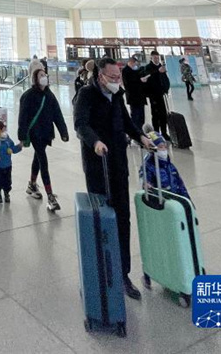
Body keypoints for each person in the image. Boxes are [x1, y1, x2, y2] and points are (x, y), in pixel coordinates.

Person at [74, 56, 154, 299]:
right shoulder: (86, 95)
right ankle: (99, 273)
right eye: (112, 77)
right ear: (100, 76)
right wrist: (95, 141)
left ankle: (123, 273)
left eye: (118, 77)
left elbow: (128, 124)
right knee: (101, 218)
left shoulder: (118, 95)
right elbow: (80, 124)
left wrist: (141, 138)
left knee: (122, 218)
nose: (116, 81)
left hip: (118, 164)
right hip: (98, 165)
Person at [17, 62, 69, 212]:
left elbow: (57, 114)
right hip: (35, 133)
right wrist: (22, 136)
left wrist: (63, 131)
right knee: (43, 160)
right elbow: (23, 117)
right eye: (41, 75)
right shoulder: (28, 96)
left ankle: (32, 184)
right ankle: (50, 196)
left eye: (45, 75)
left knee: (38, 158)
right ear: (35, 78)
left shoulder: (49, 95)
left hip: (46, 132)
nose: (44, 77)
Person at [140, 127, 190, 200]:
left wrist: (188, 202)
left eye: (165, 147)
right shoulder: (148, 167)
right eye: (160, 147)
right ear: (152, 149)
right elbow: (146, 183)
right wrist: (147, 185)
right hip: (163, 205)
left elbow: (180, 185)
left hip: (175, 203)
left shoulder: (170, 166)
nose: (164, 150)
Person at [0, 120, 22, 203]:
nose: (4, 130)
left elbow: (12, 148)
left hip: (7, 166)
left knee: (7, 181)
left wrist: (19, 147)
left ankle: (6, 193)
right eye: (2, 129)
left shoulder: (7, 140)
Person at [143, 50, 171, 140]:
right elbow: (148, 78)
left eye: (157, 57)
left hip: (161, 94)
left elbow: (165, 78)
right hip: (153, 95)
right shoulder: (148, 67)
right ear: (151, 58)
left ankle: (164, 132)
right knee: (155, 114)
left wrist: (166, 88)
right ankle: (156, 133)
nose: (156, 59)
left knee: (163, 114)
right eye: (155, 57)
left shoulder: (160, 67)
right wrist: (158, 72)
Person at [121, 56, 147, 132]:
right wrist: (139, 80)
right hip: (133, 97)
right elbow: (128, 83)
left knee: (141, 116)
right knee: (135, 115)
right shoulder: (125, 71)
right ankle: (135, 132)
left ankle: (141, 131)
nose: (135, 64)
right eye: (134, 63)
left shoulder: (137, 70)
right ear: (130, 62)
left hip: (141, 96)